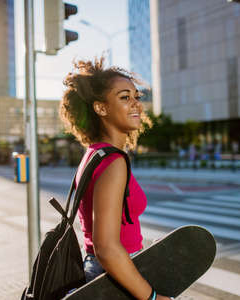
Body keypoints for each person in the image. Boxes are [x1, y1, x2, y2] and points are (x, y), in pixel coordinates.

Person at [60, 57, 173, 300]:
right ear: (101, 108)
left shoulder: (94, 154)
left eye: (136, 97)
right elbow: (107, 248)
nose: (136, 105)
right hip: (114, 281)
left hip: (105, 272)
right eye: (124, 97)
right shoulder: (113, 162)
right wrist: (152, 298)